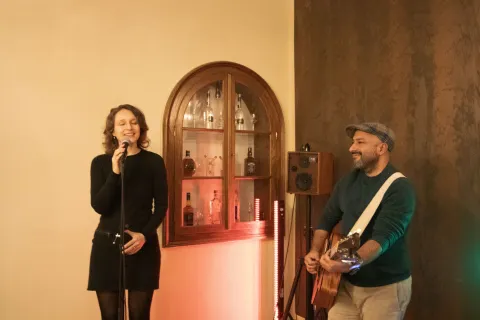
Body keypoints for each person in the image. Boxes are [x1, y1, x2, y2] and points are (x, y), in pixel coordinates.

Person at [305, 122, 416, 320]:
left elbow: (381, 240)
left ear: (381, 148)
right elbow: (326, 219)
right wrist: (315, 250)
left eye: (360, 142)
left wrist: (347, 264)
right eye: (353, 142)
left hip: (384, 288)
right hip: (343, 285)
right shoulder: (348, 181)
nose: (351, 148)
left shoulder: (399, 188)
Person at [87, 104, 168, 320]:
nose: (129, 127)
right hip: (107, 249)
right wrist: (114, 172)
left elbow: (161, 206)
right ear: (112, 131)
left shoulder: (154, 162)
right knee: (110, 315)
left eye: (133, 122)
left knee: (139, 314)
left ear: (140, 127)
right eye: (121, 123)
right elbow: (100, 206)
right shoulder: (100, 163)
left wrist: (144, 235)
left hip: (142, 247)